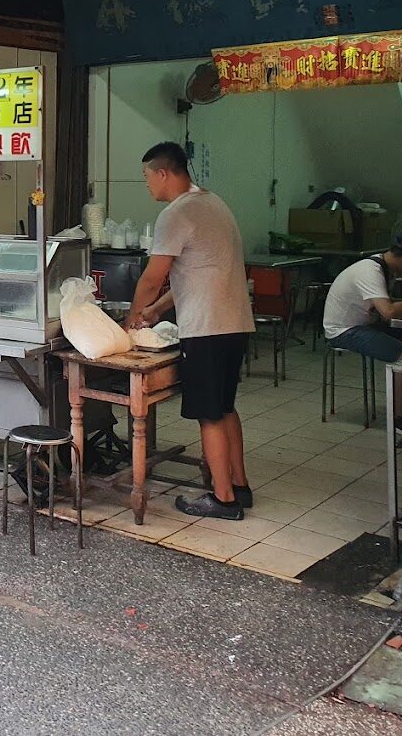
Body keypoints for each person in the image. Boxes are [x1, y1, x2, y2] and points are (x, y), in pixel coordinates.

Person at [125, 142, 255, 521]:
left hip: (208, 329)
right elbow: (194, 277)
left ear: (163, 173)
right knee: (225, 406)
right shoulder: (213, 203)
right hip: (234, 324)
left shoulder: (176, 213)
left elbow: (153, 277)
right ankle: (240, 485)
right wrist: (153, 311)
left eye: (147, 177)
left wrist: (133, 316)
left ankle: (223, 499)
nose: (147, 185)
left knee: (208, 415)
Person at [323, 230, 402, 369]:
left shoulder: (385, 268)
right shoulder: (370, 271)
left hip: (366, 323)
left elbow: (387, 304)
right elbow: (389, 311)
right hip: (344, 331)